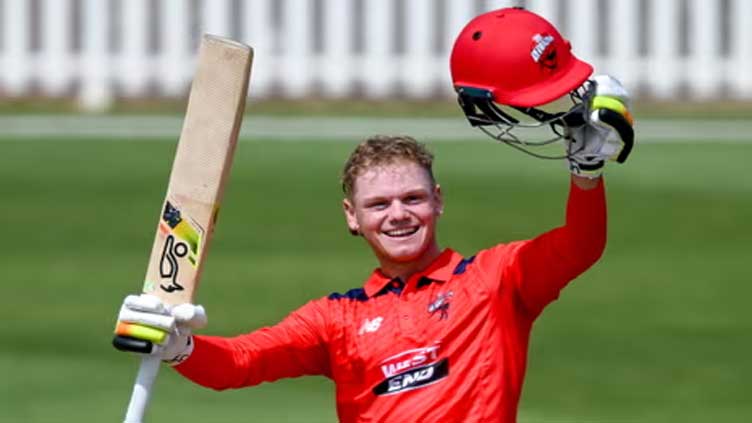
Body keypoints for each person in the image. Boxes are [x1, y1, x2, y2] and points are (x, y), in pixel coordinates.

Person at [113, 7, 634, 423]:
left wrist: (586, 173)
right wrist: (179, 346)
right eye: (379, 205)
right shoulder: (334, 320)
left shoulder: (494, 281)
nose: (399, 215)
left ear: (438, 200)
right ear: (352, 217)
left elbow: (579, 246)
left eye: (412, 198)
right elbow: (242, 362)